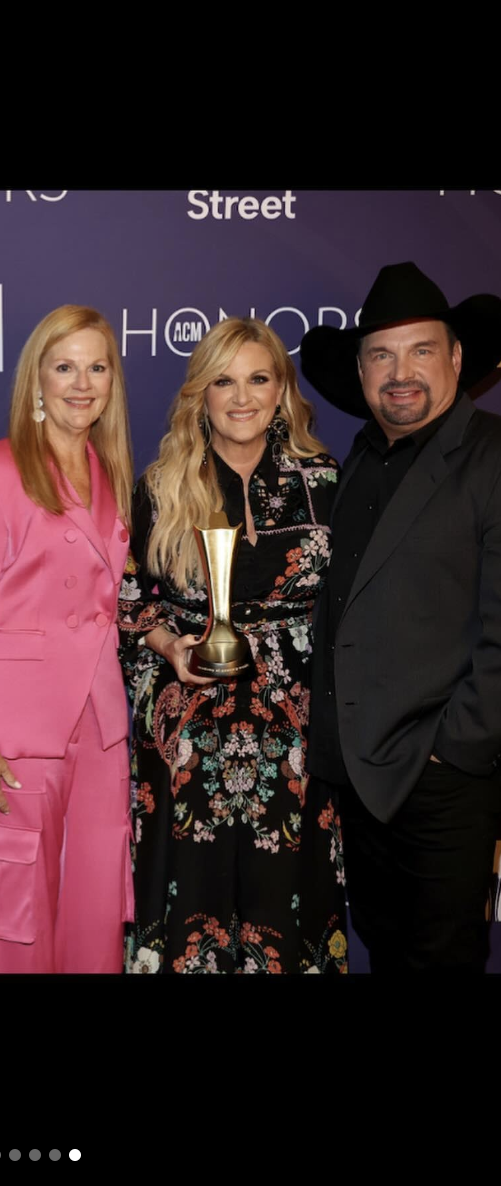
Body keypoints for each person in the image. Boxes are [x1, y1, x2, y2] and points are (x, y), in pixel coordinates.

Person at [119, 318, 346, 974]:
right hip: (190, 738)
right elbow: (129, 607)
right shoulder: (161, 488)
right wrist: (171, 651)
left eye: (258, 378)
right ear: (201, 395)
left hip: (297, 740)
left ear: (281, 390)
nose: (241, 397)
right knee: (189, 908)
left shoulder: (326, 482)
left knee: (289, 906)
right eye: (224, 380)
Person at [300, 261, 501, 973]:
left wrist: (455, 748)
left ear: (455, 358)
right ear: (360, 372)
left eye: (421, 350)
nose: (400, 372)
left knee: (442, 958)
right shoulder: (357, 458)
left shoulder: (491, 455)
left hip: (441, 779)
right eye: (382, 355)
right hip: (358, 777)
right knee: (387, 952)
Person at [0, 305, 135, 973]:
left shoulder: (111, 475)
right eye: (65, 367)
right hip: (14, 738)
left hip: (101, 731)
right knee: (14, 925)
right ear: (36, 381)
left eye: (97, 367)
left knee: (95, 918)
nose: (83, 383)